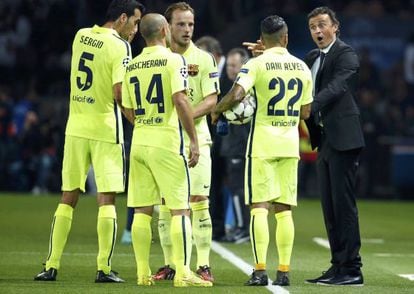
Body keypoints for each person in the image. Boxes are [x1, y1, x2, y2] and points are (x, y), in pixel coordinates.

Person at [34, 0, 145, 282]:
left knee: (67, 196)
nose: (135, 30)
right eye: (134, 22)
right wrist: (139, 122)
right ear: (122, 18)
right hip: (105, 128)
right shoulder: (120, 46)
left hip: (75, 127)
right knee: (106, 199)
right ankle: (104, 269)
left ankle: (51, 265)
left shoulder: (81, 35)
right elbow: (120, 93)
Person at [212, 15, 312, 286]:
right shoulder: (302, 67)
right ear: (286, 37)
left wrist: (217, 109)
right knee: (284, 210)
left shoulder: (255, 63)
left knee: (259, 208)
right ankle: (284, 271)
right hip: (289, 145)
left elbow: (237, 95)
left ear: (262, 39)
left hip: (263, 146)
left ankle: (259, 271)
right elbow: (305, 111)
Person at [122, 13, 211, 287]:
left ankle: (141, 273)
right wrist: (194, 140)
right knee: (180, 209)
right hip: (167, 141)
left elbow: (126, 107)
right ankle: (183, 272)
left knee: (142, 210)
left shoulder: (132, 65)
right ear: (164, 30)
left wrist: (146, 123)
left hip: (139, 141)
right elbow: (181, 100)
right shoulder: (175, 60)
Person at [153, 2, 219, 283]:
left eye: (190, 24)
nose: (187, 29)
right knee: (166, 205)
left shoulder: (204, 59)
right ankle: (171, 265)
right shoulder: (158, 58)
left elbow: (212, 99)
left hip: (199, 141)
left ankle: (202, 264)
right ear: (168, 27)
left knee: (199, 201)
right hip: (164, 142)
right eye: (181, 24)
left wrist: (186, 115)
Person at [304, 7, 365, 286]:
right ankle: (338, 264)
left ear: (335, 27)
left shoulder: (346, 53)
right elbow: (295, 78)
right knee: (329, 207)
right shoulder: (313, 57)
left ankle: (352, 269)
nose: (317, 31)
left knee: (344, 206)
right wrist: (268, 53)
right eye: (313, 27)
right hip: (325, 139)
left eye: (322, 25)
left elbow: (338, 85)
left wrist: (311, 106)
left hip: (344, 139)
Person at [219, 48, 251, 244]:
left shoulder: (243, 90)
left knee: (238, 189)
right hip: (231, 146)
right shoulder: (229, 86)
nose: (230, 69)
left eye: (234, 65)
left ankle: (243, 229)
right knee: (235, 188)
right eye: (229, 65)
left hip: (239, 147)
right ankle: (240, 227)